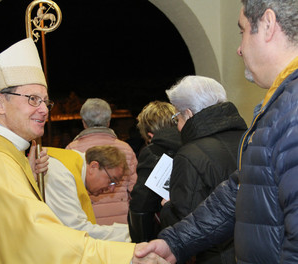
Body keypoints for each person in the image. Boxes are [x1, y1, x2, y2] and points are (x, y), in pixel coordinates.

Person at [0, 38, 166, 264]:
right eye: (33, 99)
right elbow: (42, 241)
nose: (44, 110)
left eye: (45, 101)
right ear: (0, 103)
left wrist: (28, 175)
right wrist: (128, 255)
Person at [135, 1, 298, 263]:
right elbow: (241, 191)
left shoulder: (293, 110)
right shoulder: (280, 106)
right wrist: (176, 242)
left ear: (267, 25)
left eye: (243, 31)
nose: (239, 48)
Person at [159, 75, 247, 264]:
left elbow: (186, 221)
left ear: (189, 114)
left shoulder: (189, 154)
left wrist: (167, 208)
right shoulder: (251, 138)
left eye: (177, 117)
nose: (177, 125)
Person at [66, 98, 138, 225]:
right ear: (109, 122)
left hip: (88, 224)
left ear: (83, 123)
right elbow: (134, 190)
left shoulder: (72, 150)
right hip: (121, 224)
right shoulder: (125, 149)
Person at [45, 145, 131, 242]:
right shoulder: (62, 175)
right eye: (111, 180)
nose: (111, 189)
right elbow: (77, 230)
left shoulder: (74, 164)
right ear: (94, 166)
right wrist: (130, 233)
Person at [128, 101, 182, 243]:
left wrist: (141, 244)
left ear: (150, 135)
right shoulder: (192, 143)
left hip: (168, 233)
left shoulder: (153, 152)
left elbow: (142, 202)